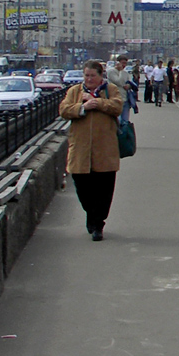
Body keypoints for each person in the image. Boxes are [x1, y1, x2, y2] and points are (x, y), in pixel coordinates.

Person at [59, 60, 124, 240]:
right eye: (86, 75)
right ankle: (91, 214)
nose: (88, 79)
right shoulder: (74, 92)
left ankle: (98, 225)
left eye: (92, 76)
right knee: (82, 186)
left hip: (105, 150)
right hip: (81, 149)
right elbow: (63, 110)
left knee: (104, 190)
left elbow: (118, 107)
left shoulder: (111, 90)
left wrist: (98, 103)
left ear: (100, 75)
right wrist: (82, 107)